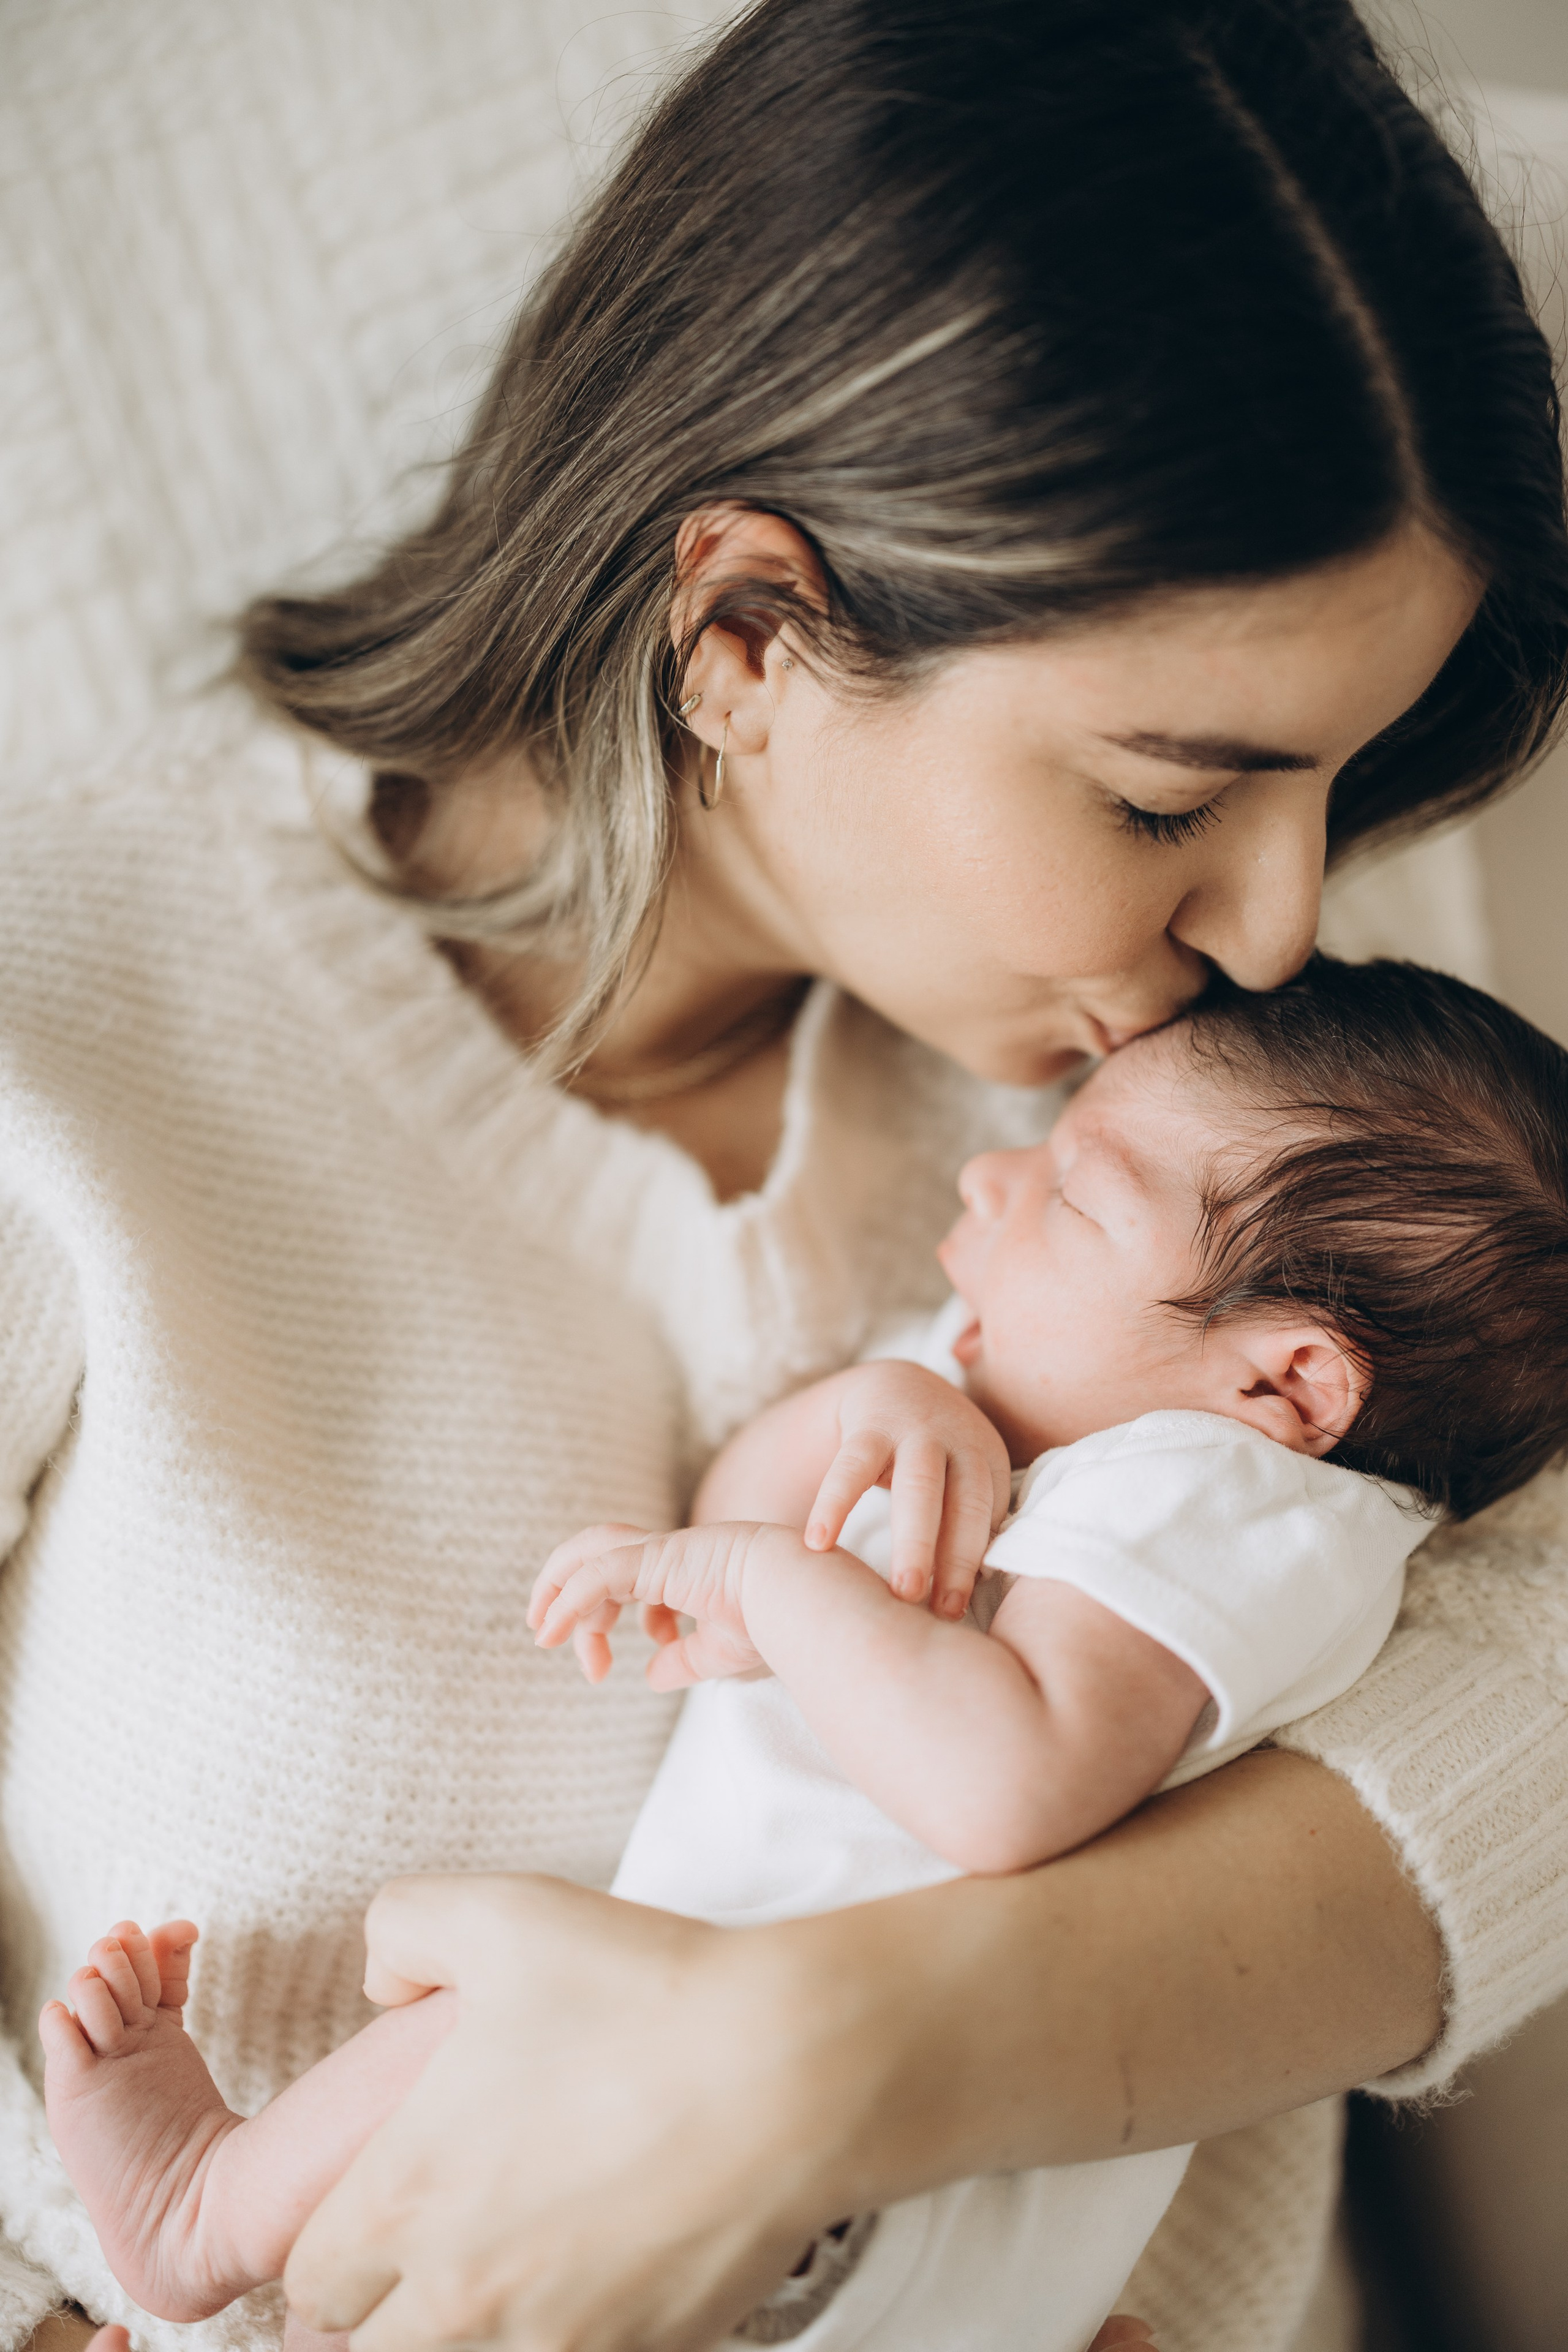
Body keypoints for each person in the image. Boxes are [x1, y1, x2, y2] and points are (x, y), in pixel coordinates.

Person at [6, 2, 1568, 2350]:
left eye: (1338, 786)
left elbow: (1530, 1698)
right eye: (1166, 798)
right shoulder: (77, 1022)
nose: (1276, 915)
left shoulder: (1280, 1092)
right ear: (749, 635)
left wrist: (813, 2069)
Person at [39, 957, 1568, 2351]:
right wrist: (866, 1417)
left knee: (501, 2035)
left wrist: (764, 1580)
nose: (990, 1173)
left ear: (1286, 1380)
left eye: (1077, 1194)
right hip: (865, 2211)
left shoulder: (1215, 1496)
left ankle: (211, 2206)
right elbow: (737, 1539)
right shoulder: (1074, 1426)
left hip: (813, 2161)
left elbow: (1002, 1785)